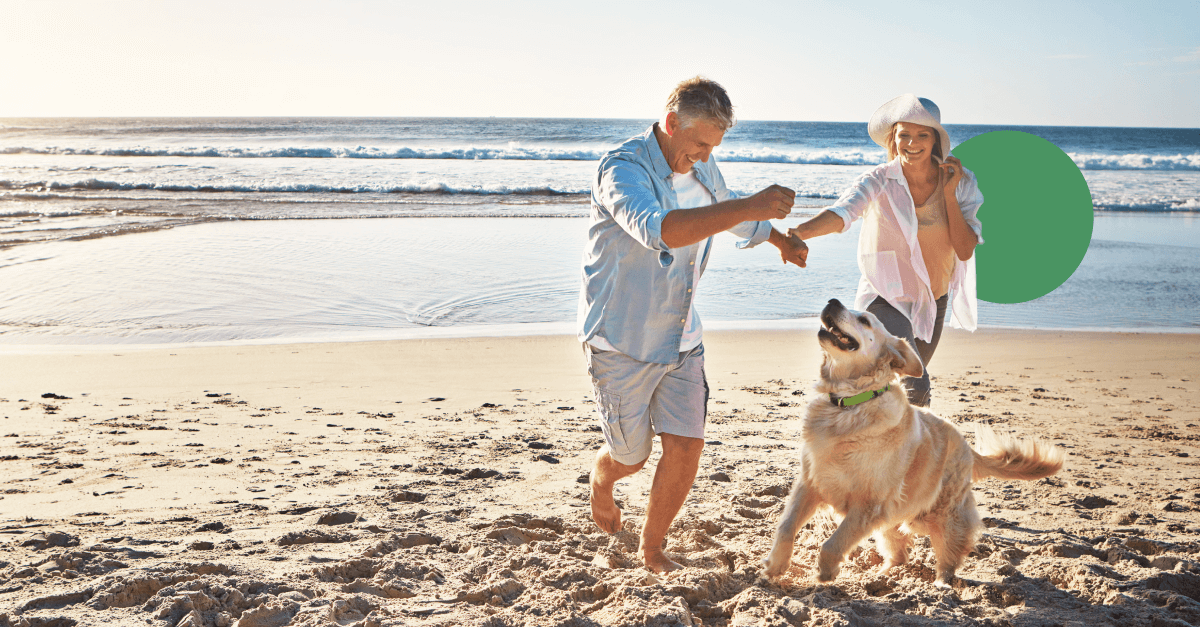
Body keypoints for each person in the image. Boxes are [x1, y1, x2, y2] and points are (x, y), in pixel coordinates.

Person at [578, 76, 809, 573]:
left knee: (687, 447)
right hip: (622, 340)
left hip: (682, 335)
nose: (705, 155)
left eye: (714, 146)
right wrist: (748, 205)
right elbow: (659, 230)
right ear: (670, 123)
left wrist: (778, 239)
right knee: (631, 458)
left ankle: (652, 547)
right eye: (700, 143)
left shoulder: (702, 167)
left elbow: (729, 216)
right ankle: (603, 476)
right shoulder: (621, 171)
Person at [788, 94, 984, 407]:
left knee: (898, 394)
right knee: (915, 386)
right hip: (885, 297)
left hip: (934, 300)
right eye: (904, 134)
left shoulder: (962, 184)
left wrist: (948, 193)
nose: (912, 143)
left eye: (922, 135)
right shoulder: (879, 180)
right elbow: (844, 213)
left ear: (935, 140)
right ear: (893, 138)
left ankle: (877, 443)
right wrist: (800, 232)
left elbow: (963, 249)